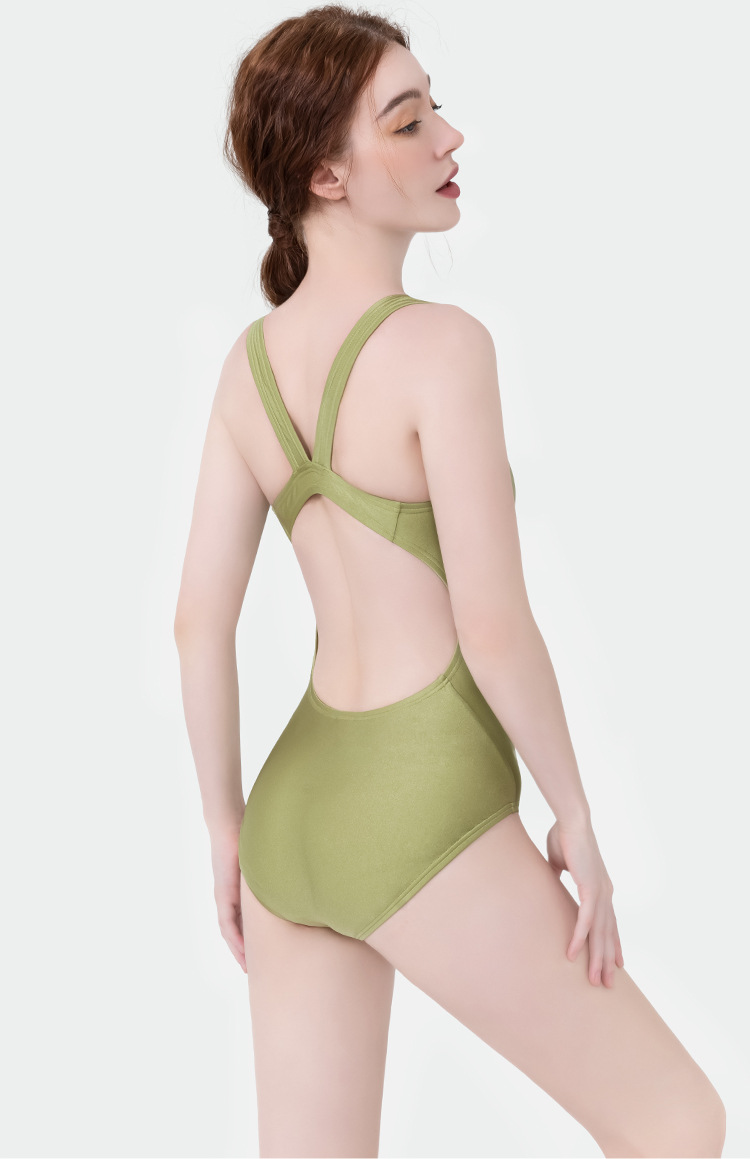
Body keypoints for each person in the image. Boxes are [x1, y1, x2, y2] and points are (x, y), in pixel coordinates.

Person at [174, 5, 726, 1156]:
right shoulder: (442, 348)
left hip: (291, 814)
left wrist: (226, 827)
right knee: (677, 1122)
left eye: (437, 109)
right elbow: (492, 622)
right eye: (409, 121)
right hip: (418, 802)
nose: (450, 138)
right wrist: (574, 814)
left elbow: (195, 624)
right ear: (325, 175)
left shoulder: (246, 366)